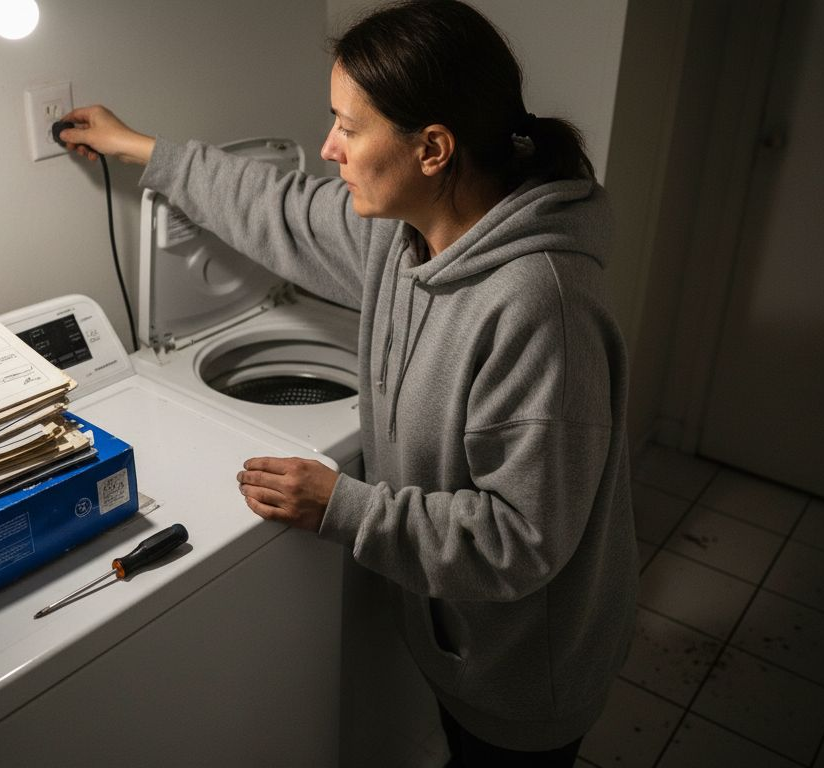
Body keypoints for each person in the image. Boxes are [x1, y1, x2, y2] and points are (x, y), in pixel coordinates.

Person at [58, 1, 636, 764]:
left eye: (348, 127)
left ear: (431, 148)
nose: (327, 148)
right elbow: (281, 209)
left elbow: (519, 539)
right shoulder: (404, 234)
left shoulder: (538, 308)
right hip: (460, 643)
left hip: (525, 671)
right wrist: (137, 148)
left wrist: (345, 506)